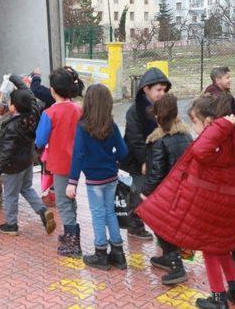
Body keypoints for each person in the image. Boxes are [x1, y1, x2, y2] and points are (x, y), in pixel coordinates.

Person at [137, 94, 235, 308]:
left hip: (211, 206)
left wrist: (218, 127)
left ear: (209, 123)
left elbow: (199, 151)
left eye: (195, 122)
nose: (194, 127)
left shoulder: (217, 141)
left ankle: (218, 297)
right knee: (221, 248)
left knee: (210, 249)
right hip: (231, 206)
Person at [66, 84, 129, 271]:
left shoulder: (83, 127)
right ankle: (118, 254)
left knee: (98, 214)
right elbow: (124, 152)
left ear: (89, 103)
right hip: (111, 177)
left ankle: (100, 254)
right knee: (110, 212)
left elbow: (78, 155)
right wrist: (113, 160)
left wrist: (72, 182)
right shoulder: (112, 125)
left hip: (94, 180)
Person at [0, 75, 56, 236]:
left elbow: (6, 150)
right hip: (27, 160)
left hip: (13, 166)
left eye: (10, 102)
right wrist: (14, 79)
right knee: (26, 188)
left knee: (10, 194)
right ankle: (42, 211)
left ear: (13, 108)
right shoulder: (33, 111)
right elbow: (28, 92)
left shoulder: (12, 126)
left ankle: (11, 225)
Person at [141, 93, 193, 286]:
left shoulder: (160, 140)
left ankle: (175, 263)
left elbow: (156, 172)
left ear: (158, 115)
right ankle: (168, 257)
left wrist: (144, 192)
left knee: (160, 225)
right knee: (171, 225)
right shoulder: (186, 135)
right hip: (184, 191)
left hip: (166, 192)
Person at [35, 68, 83, 257]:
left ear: (53, 90)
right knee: (71, 197)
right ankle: (72, 234)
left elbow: (39, 140)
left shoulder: (50, 112)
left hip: (60, 163)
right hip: (77, 163)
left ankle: (72, 242)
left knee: (63, 202)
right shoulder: (80, 109)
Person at [122, 67, 171, 240]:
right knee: (138, 192)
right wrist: (145, 161)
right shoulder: (135, 111)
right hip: (137, 162)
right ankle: (134, 226)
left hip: (155, 160)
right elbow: (135, 140)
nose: (162, 93)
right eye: (158, 90)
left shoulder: (161, 109)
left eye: (164, 90)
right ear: (146, 89)